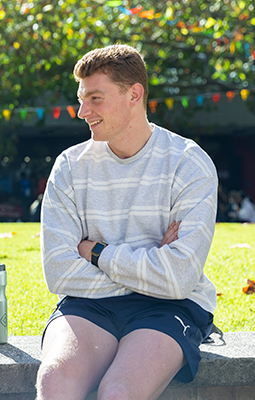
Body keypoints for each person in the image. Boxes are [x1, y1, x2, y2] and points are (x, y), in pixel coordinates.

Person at [37, 45, 218, 400]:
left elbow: (180, 278)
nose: (81, 111)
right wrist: (152, 266)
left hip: (169, 307)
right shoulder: (70, 166)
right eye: (81, 98)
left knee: (120, 392)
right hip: (89, 305)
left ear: (134, 94)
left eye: (96, 98)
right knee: (54, 382)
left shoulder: (187, 162)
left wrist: (96, 252)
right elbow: (59, 270)